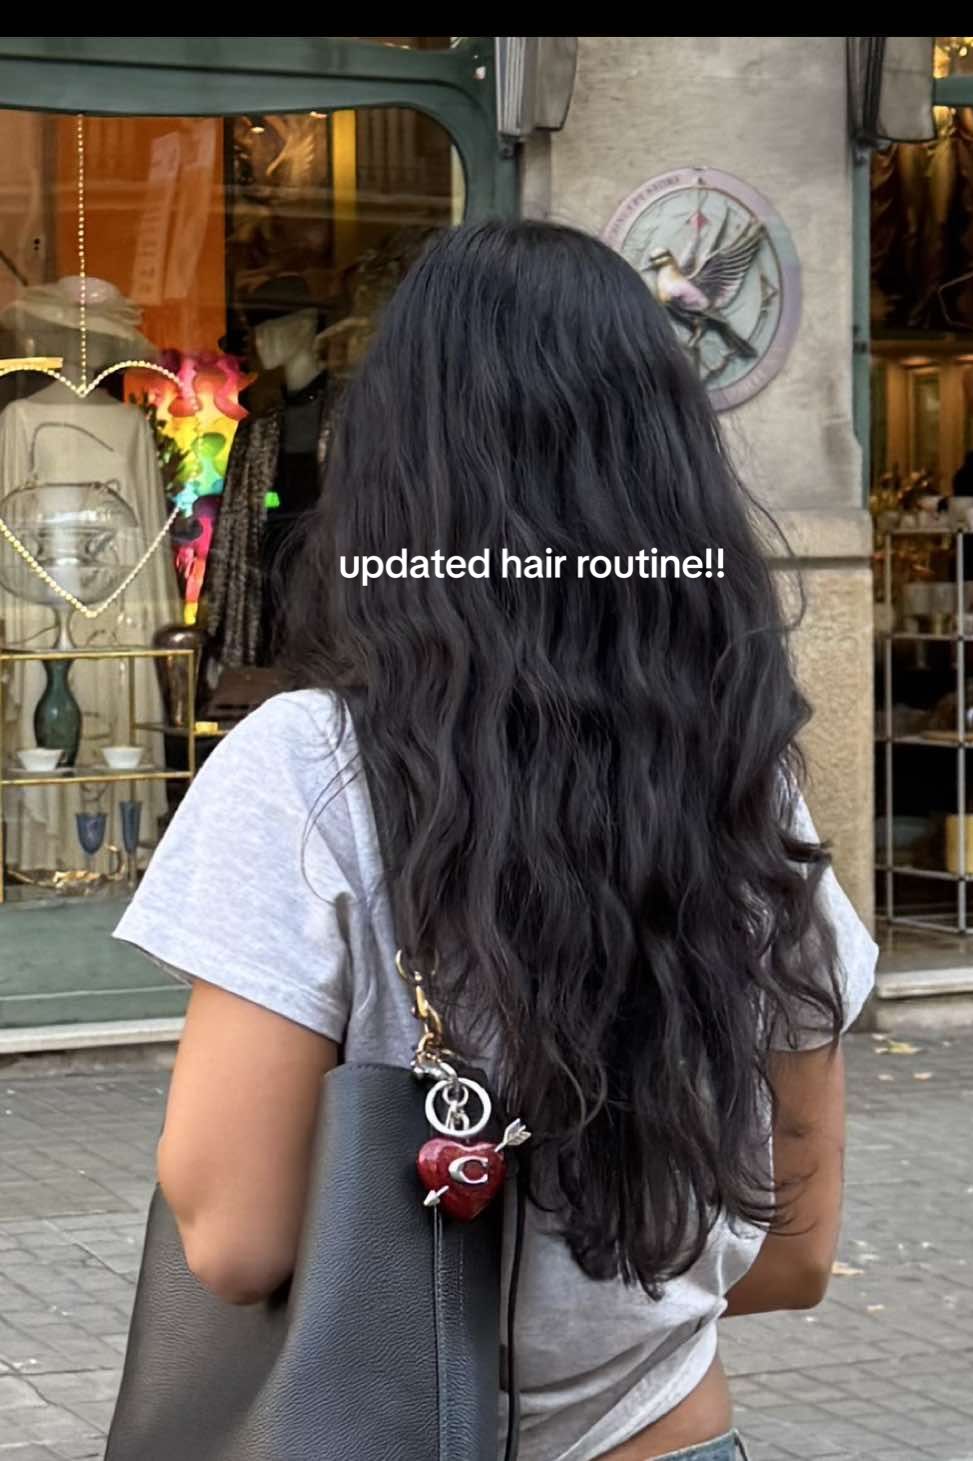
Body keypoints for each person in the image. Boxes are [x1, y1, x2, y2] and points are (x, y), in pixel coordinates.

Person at [115, 219, 877, 1461]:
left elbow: (234, 1238)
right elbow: (795, 1255)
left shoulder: (309, 767)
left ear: (397, 474)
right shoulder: (741, 781)